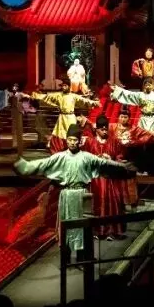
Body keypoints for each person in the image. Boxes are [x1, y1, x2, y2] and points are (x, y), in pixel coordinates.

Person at [14, 124, 135, 254]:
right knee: (66, 226)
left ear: (79, 141)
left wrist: (124, 168)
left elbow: (104, 163)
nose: (72, 143)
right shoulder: (60, 157)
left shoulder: (86, 157)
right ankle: (65, 254)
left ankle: (82, 256)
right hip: (66, 195)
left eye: (75, 140)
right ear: (66, 140)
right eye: (70, 140)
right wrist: (24, 166)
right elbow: (43, 163)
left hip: (82, 195)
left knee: (83, 226)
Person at [84, 116, 130, 240]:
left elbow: (120, 156)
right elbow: (85, 159)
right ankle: (99, 231)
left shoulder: (113, 141)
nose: (105, 132)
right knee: (100, 203)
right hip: (98, 178)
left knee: (114, 202)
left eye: (106, 129)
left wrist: (111, 159)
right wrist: (96, 159)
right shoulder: (90, 142)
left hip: (111, 177)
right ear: (97, 129)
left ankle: (114, 231)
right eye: (102, 130)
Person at [27, 89, 99, 153]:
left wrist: (93, 103)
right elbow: (48, 97)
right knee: (58, 133)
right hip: (62, 119)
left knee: (71, 133)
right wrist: (36, 95)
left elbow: (83, 101)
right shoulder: (59, 96)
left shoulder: (73, 96)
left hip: (70, 118)